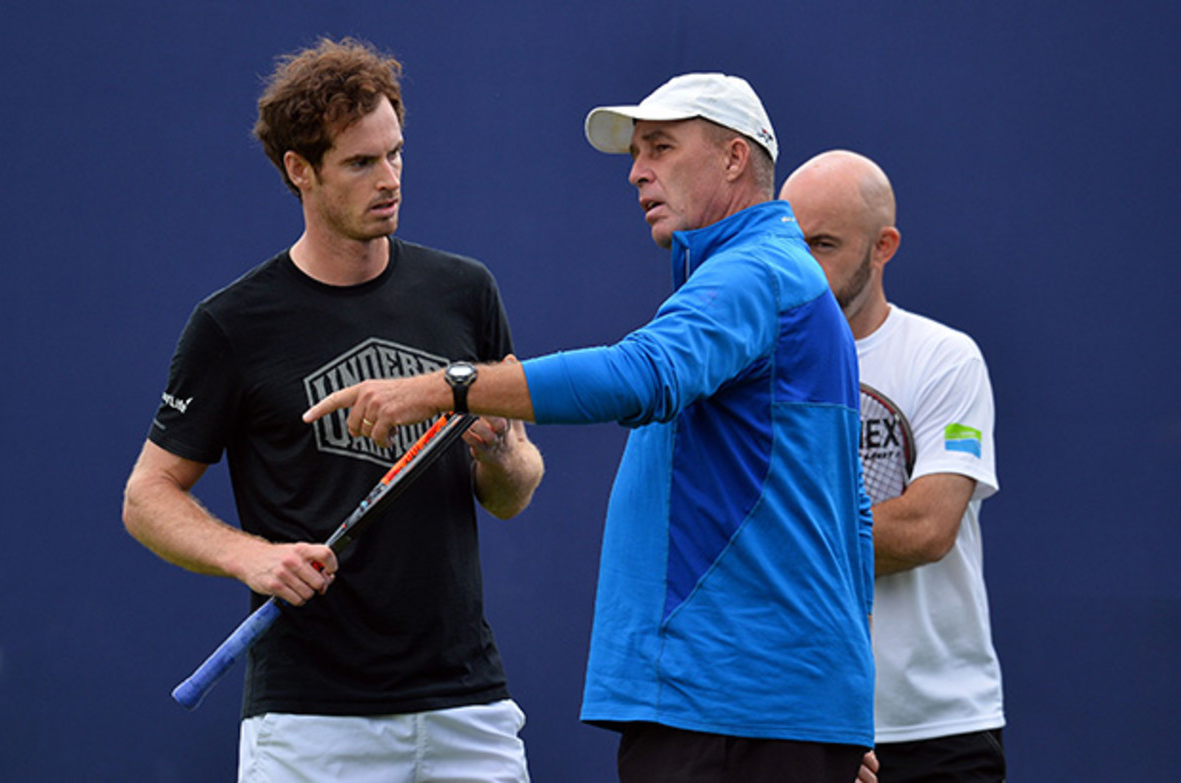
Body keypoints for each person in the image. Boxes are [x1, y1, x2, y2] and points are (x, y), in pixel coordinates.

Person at [305, 73, 875, 783]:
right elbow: (846, 515)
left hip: (723, 710)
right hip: (774, 709)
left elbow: (640, 374)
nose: (638, 172)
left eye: (661, 148)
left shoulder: (753, 273)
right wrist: (836, 702)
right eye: (637, 152)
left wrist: (445, 387)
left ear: (734, 158)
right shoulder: (785, 281)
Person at [122, 37, 544, 783]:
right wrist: (253, 556)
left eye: (395, 154)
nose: (390, 179)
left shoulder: (465, 291)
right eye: (360, 163)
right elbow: (147, 496)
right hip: (309, 723)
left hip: (465, 709)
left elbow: (512, 493)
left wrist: (499, 450)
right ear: (300, 170)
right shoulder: (232, 325)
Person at [779, 150, 1004, 783]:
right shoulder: (752, 367)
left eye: (824, 244)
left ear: (884, 246)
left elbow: (928, 529)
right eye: (792, 244)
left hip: (939, 724)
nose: (804, 267)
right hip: (802, 720)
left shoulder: (944, 359)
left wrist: (779, 536)